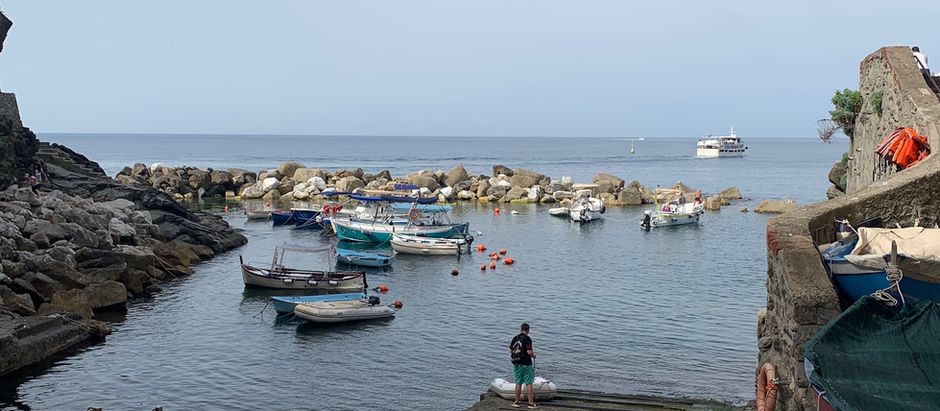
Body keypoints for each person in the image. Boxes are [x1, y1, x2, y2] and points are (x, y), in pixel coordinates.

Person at [510, 322, 538, 409]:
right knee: (529, 382)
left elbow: (511, 350)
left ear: (521, 329)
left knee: (518, 382)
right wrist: (534, 355)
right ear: (528, 330)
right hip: (526, 363)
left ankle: (516, 402)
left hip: (516, 363)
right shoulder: (527, 339)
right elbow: (529, 352)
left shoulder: (515, 338)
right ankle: (530, 403)